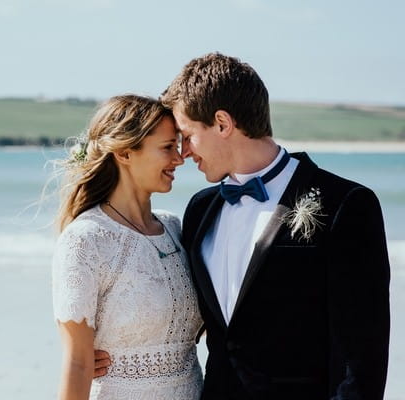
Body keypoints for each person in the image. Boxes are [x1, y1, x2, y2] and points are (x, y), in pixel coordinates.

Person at [95, 53, 391, 399]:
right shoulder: (200, 210)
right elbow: (179, 311)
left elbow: (361, 360)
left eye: (188, 136)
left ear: (222, 124)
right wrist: (109, 350)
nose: (184, 153)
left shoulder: (346, 204)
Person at [52, 94, 204, 399]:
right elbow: (79, 364)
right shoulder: (86, 239)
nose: (179, 158)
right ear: (124, 153)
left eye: (177, 146)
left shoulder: (175, 229)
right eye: (167, 148)